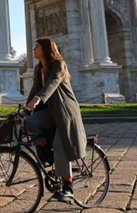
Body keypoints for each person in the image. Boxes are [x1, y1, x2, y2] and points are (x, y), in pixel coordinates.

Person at [25, 38, 87, 202]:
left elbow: (52, 83)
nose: (34, 49)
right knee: (30, 122)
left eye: (37, 46)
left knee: (60, 147)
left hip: (66, 111)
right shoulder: (39, 68)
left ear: (45, 49)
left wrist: (38, 98)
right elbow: (34, 89)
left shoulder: (58, 64)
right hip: (50, 111)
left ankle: (68, 187)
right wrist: (26, 108)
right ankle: (47, 152)